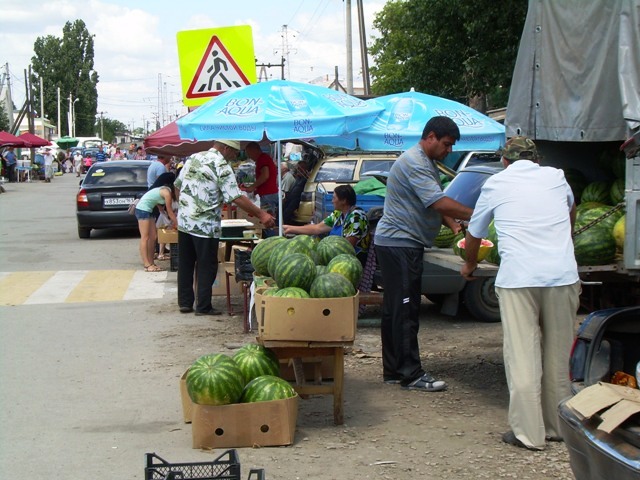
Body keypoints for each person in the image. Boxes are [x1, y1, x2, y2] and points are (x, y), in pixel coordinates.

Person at [460, 136, 580, 450]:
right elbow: (571, 210)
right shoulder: (556, 177)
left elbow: (475, 233)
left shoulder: (496, 184)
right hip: (562, 274)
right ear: (537, 160)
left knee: (523, 353)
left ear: (505, 161)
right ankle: (558, 426)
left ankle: (529, 433)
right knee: (559, 353)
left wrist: (469, 264)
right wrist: (564, 241)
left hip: (518, 279)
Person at [375, 116, 473, 392]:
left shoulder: (425, 162)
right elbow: (438, 201)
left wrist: (453, 224)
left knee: (395, 309)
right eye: (446, 144)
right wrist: (476, 214)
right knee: (406, 309)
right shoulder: (415, 162)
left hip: (397, 243)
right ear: (430, 136)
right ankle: (411, 373)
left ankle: (394, 370)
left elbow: (432, 205)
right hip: (401, 244)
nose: (449, 150)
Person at [174, 139, 275, 316]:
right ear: (226, 149)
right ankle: (203, 306)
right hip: (205, 225)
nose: (235, 156)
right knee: (207, 265)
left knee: (186, 263)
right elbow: (235, 197)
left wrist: (184, 208)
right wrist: (262, 214)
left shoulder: (193, 157)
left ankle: (185, 302)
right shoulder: (221, 164)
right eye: (234, 153)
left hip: (184, 222)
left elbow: (177, 186)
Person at [284, 184, 370, 265]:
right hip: (337, 257)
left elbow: (347, 246)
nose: (332, 201)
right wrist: (290, 228)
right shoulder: (338, 214)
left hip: (352, 260)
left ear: (343, 200)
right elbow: (317, 228)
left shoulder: (356, 217)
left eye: (334, 198)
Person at [134, 177, 178, 272]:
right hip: (142, 210)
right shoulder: (167, 194)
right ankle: (147, 264)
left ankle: (151, 262)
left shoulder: (163, 190)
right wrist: (177, 223)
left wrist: (161, 210)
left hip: (148, 210)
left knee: (153, 237)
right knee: (145, 237)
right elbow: (170, 212)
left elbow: (154, 199)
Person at [240, 142, 279, 237]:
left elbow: (265, 175)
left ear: (255, 150)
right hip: (269, 194)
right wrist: (256, 189)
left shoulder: (263, 159)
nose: (249, 156)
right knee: (271, 220)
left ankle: (271, 242)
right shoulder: (264, 159)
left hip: (268, 195)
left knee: (268, 221)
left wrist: (253, 186)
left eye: (249, 153)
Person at [281, 160, 309, 225]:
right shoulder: (298, 178)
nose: (298, 170)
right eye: (298, 168)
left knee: (286, 213)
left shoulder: (305, 179)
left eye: (300, 168)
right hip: (290, 198)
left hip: (296, 199)